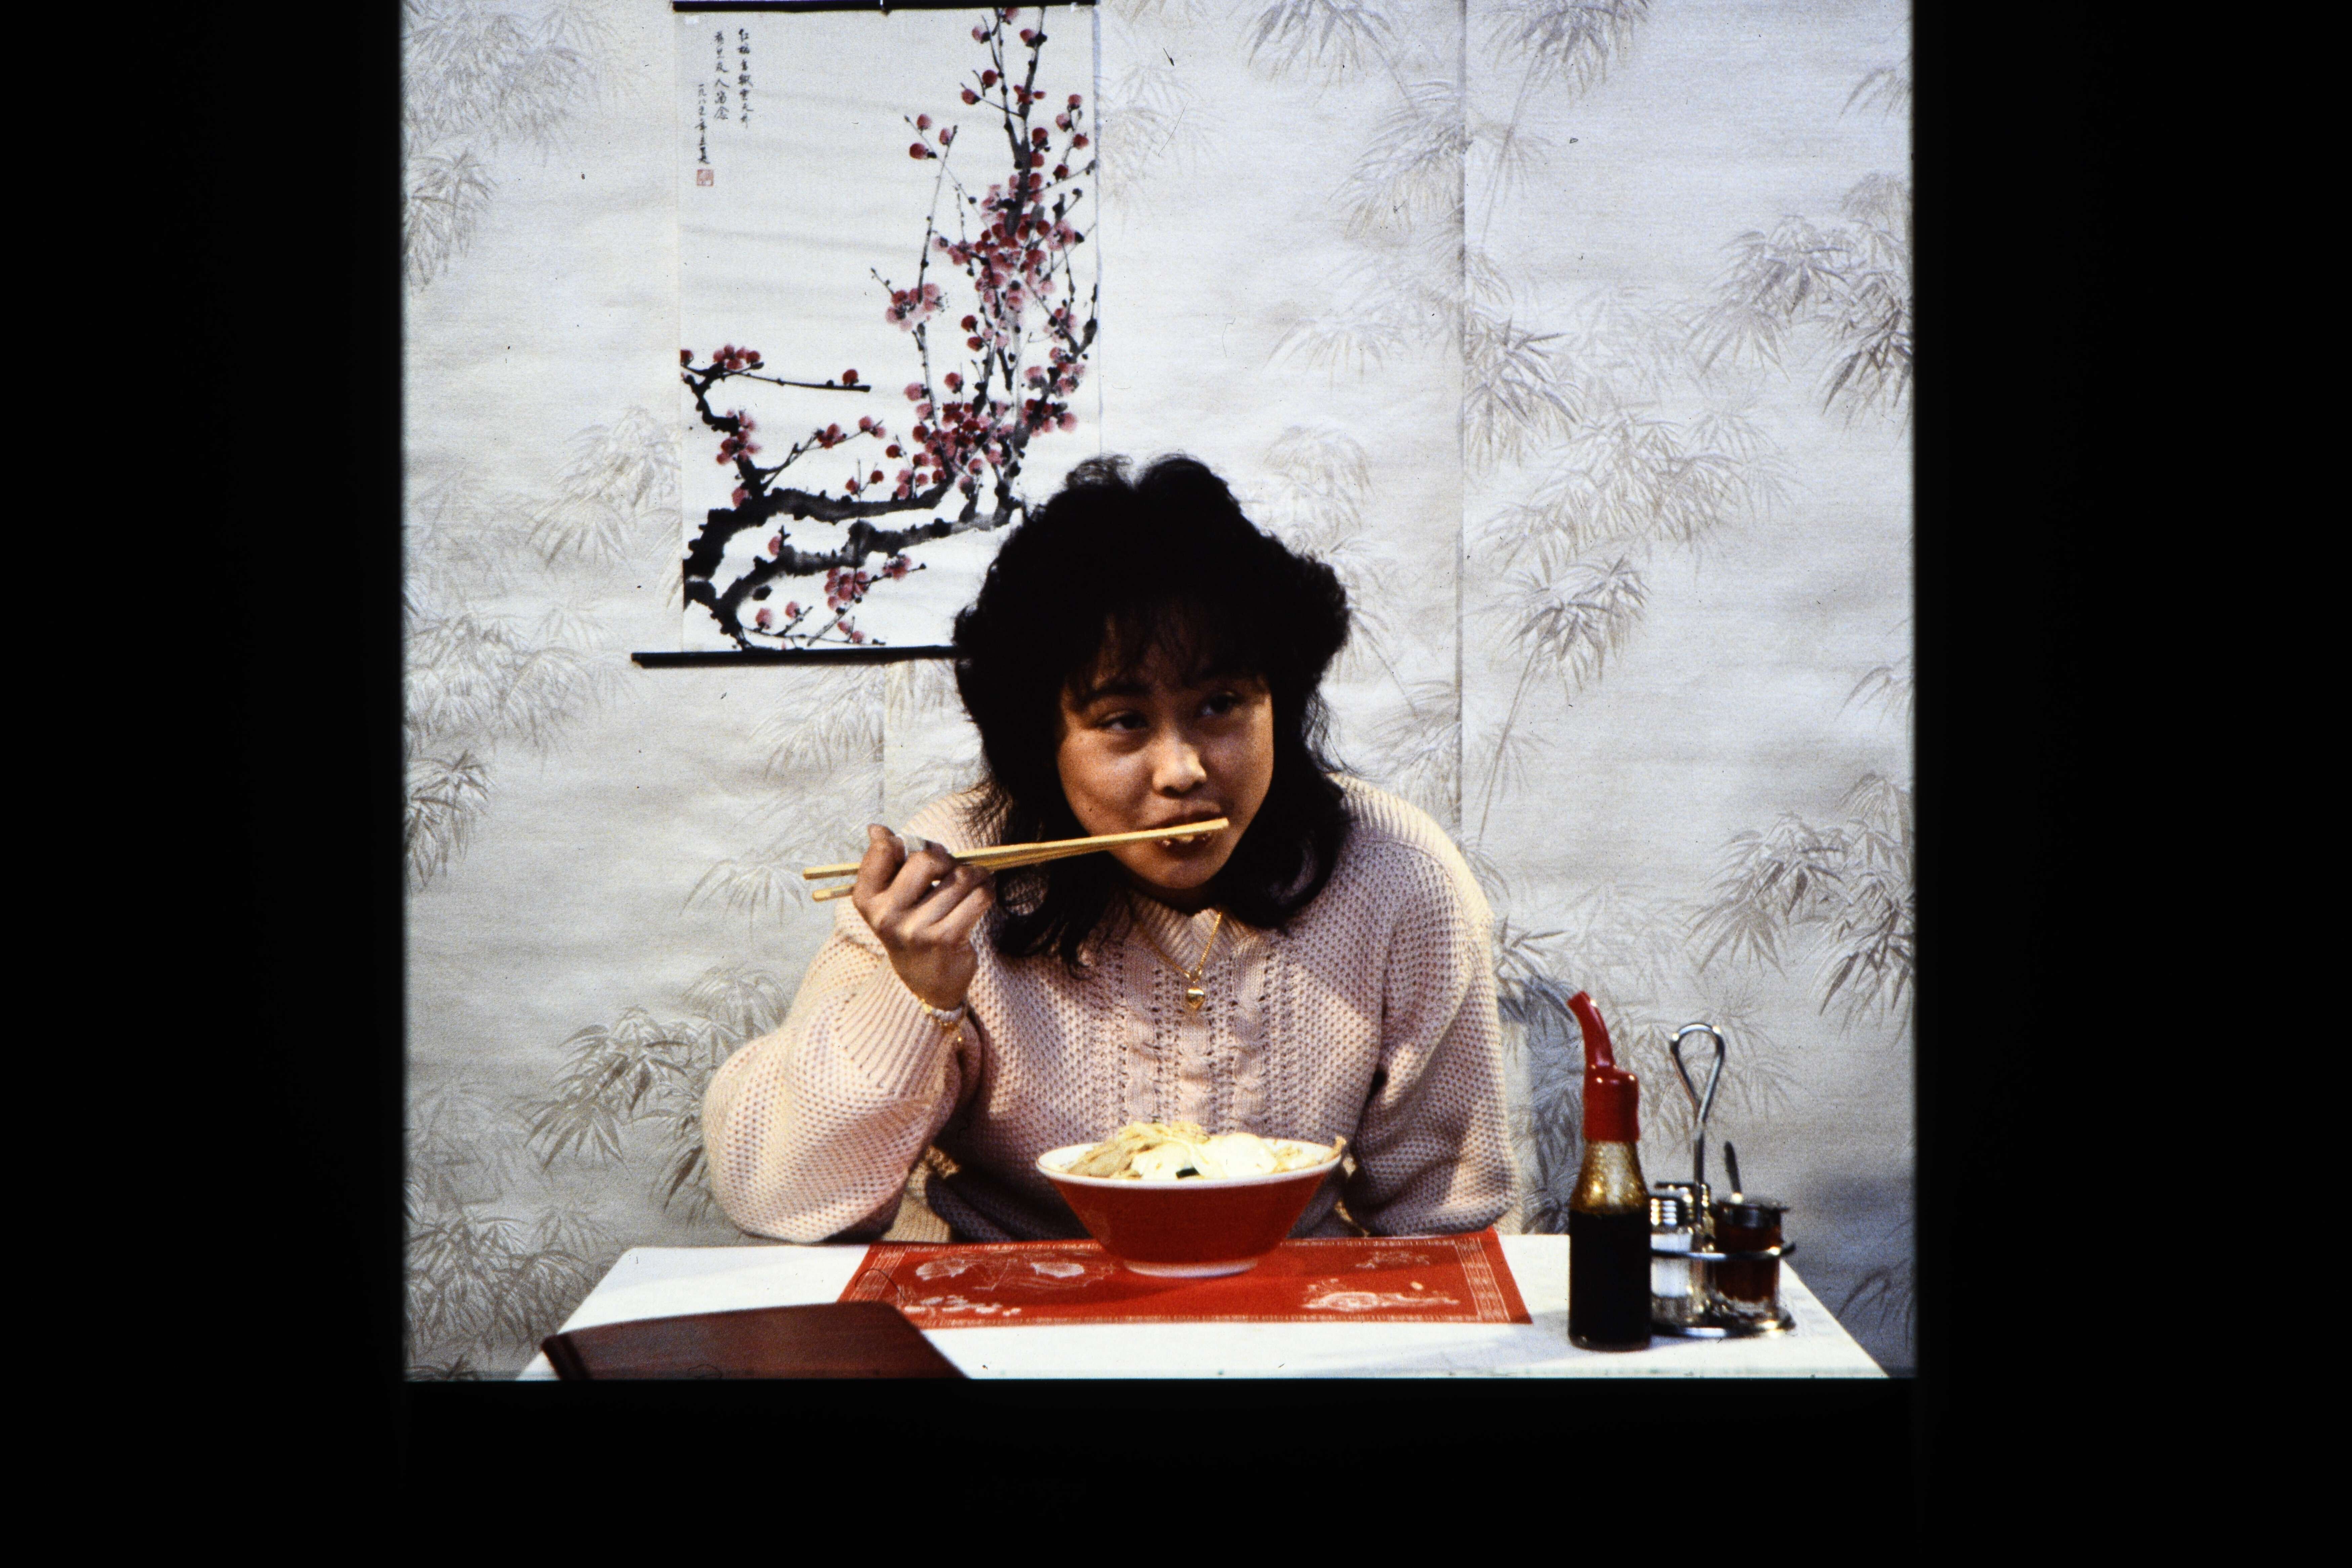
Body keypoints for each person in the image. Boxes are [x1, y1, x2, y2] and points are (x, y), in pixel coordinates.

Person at [703, 455, 1515, 1243]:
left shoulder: (1397, 875)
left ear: (1282, 702)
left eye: (1221, 704)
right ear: (1043, 741)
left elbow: (1445, 1223)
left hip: (1280, 1306)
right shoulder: (947, 879)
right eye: (1123, 721)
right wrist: (917, 997)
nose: (1182, 770)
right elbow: (781, 1197)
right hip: (1007, 1303)